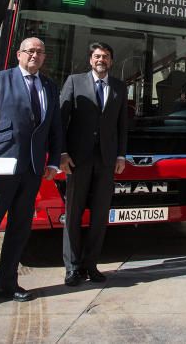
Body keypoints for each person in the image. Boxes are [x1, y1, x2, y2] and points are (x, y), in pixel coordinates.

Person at [0, 37, 61, 315]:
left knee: (20, 230)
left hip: (32, 171)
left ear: (44, 57)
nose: (35, 55)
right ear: (19, 54)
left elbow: (54, 128)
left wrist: (53, 162)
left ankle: (8, 284)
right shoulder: (0, 80)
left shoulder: (49, 86)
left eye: (40, 51)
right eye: (30, 51)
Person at [60, 42, 128, 286]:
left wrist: (121, 155)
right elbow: (61, 118)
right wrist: (62, 153)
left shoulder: (120, 87)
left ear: (111, 61)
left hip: (107, 160)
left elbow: (122, 126)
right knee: (73, 214)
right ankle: (72, 267)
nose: (101, 60)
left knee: (100, 216)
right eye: (97, 56)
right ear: (90, 60)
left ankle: (91, 265)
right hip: (78, 160)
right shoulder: (74, 82)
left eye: (106, 57)